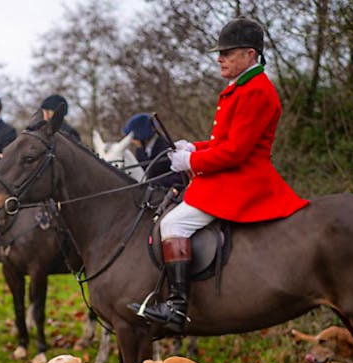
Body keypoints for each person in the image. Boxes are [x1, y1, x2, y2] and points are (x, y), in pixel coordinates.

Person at [129, 17, 309, 333]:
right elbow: (222, 143)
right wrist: (192, 147)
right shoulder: (241, 87)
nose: (219, 58)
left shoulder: (256, 91)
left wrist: (192, 161)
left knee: (173, 223)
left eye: (227, 52)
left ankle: (177, 307)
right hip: (232, 172)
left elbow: (236, 152)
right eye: (220, 52)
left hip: (243, 178)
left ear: (250, 54)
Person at [121, 113, 181, 189]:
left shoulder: (164, 147)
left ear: (141, 136)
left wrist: (154, 183)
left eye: (134, 138)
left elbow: (178, 176)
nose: (132, 141)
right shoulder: (140, 150)